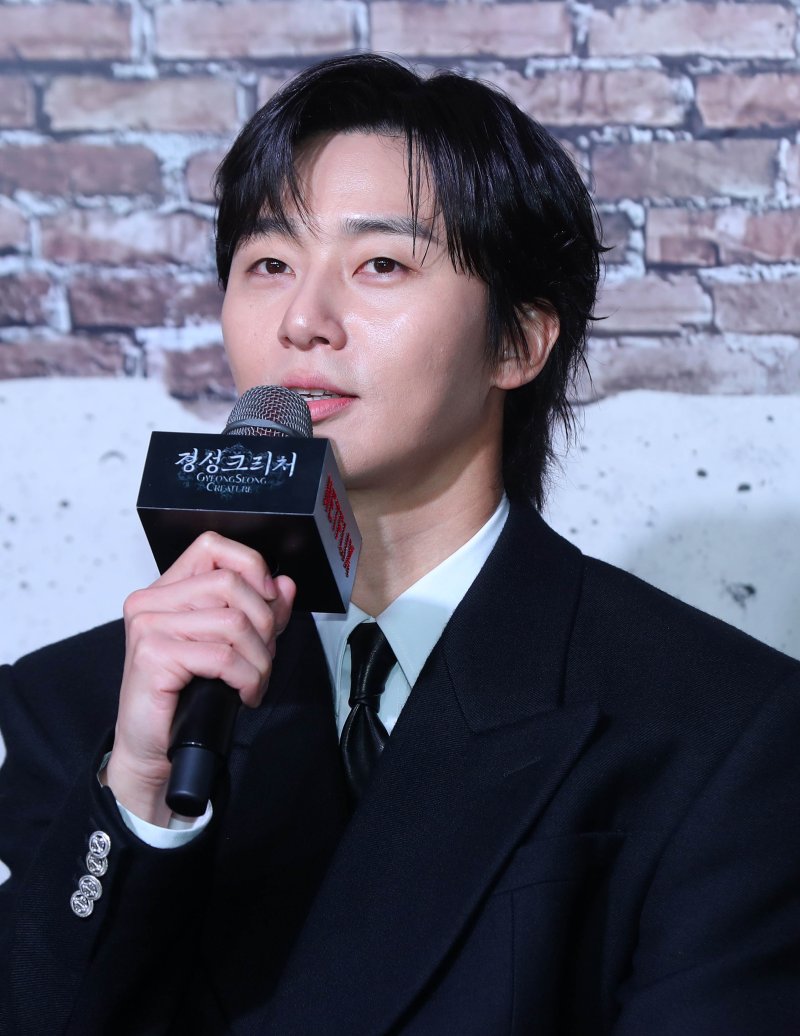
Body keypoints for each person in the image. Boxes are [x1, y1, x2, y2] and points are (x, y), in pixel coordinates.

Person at [1, 54, 799, 1036]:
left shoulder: (715, 728)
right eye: (268, 265)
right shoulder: (87, 708)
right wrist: (138, 799)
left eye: (380, 263)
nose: (303, 320)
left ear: (517, 341)